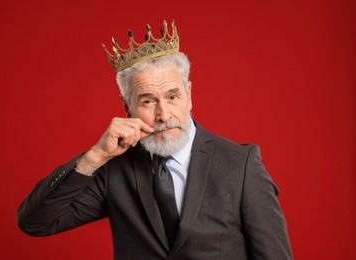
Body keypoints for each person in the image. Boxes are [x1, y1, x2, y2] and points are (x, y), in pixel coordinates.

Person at [17, 20, 293, 259]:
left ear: (189, 95)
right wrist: (94, 157)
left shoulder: (240, 165)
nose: (163, 114)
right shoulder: (113, 168)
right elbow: (35, 223)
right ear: (127, 108)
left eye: (172, 97)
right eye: (148, 101)